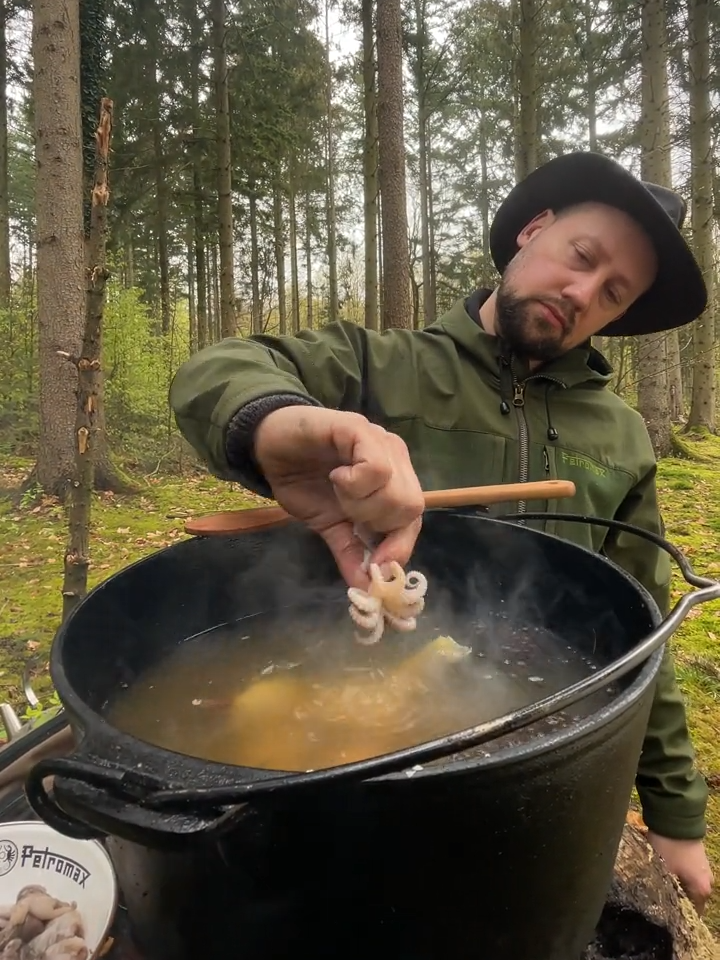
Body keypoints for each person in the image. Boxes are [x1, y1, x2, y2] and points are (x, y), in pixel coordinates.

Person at [169, 152, 714, 913]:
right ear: (533, 230)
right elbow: (219, 369)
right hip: (351, 754)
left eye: (613, 293)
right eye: (581, 257)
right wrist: (278, 424)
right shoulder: (381, 367)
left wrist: (676, 815)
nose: (583, 292)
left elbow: (643, 635)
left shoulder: (622, 437)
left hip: (547, 746)